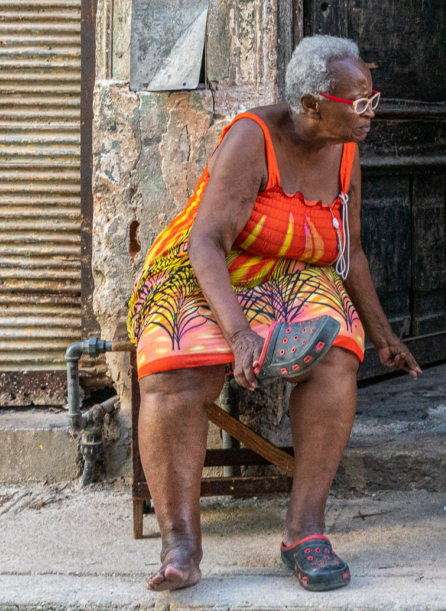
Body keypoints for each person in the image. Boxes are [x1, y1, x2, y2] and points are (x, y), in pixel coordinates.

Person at [127, 35, 422, 593]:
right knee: (176, 365)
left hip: (292, 274)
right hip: (210, 272)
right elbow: (207, 242)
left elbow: (351, 250)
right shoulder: (252, 137)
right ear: (312, 104)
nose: (369, 113)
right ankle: (181, 545)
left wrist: (384, 335)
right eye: (358, 102)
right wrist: (237, 331)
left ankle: (304, 531)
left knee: (337, 352)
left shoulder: (348, 149)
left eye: (371, 98)